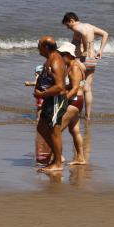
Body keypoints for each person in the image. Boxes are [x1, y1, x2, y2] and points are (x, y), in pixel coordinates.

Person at [61, 12, 109, 121]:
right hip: (92, 59)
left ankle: (73, 111)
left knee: (76, 86)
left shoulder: (77, 27)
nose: (68, 28)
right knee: (87, 88)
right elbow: (105, 34)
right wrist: (101, 50)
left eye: (68, 25)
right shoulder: (89, 26)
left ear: (71, 20)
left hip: (81, 60)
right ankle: (87, 116)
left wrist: (85, 50)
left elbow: (84, 34)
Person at [33, 36, 67, 173]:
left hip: (56, 100)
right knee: (41, 127)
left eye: (39, 45)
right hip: (49, 99)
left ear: (46, 47)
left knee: (54, 131)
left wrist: (41, 94)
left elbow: (59, 87)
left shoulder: (56, 61)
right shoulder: (49, 59)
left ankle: (58, 163)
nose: (38, 47)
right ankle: (57, 157)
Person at [57, 42, 87, 166]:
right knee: (74, 131)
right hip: (78, 101)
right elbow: (75, 84)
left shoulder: (74, 67)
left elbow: (74, 88)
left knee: (56, 130)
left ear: (69, 55)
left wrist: (64, 100)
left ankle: (58, 157)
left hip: (74, 101)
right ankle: (80, 158)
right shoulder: (74, 65)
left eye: (62, 55)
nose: (60, 57)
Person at [24, 64, 52, 165]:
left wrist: (28, 83)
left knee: (39, 108)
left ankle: (38, 119)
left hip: (40, 95)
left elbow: (35, 83)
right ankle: (39, 118)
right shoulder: (46, 77)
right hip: (44, 95)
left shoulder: (39, 77)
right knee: (40, 107)